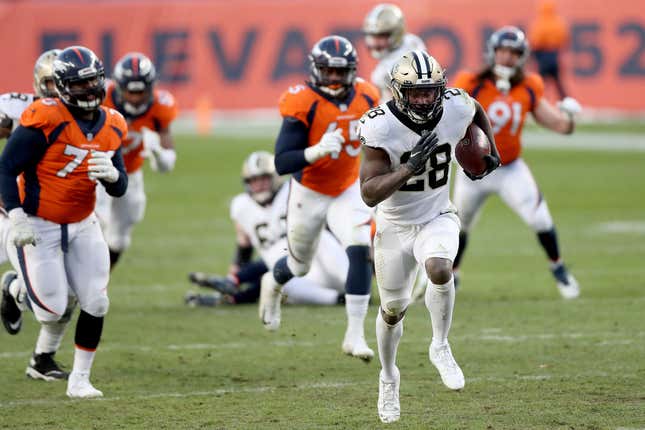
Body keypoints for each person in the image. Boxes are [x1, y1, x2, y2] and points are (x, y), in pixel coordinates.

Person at [359, 50, 499, 423]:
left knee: (440, 268)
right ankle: (389, 377)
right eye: (415, 92)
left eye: (429, 91)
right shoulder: (380, 126)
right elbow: (369, 192)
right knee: (392, 310)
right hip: (393, 226)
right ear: (398, 91)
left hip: (437, 214)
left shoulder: (454, 104)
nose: (424, 98)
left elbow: (475, 110)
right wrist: (407, 168)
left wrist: (490, 148)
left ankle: (440, 344)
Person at [0, 46, 128, 398]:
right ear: (60, 87)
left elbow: (121, 188)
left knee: (96, 301)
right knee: (52, 311)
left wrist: (113, 176)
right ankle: (14, 286)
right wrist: (16, 215)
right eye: (79, 85)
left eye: (92, 83)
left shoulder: (113, 122)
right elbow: (6, 167)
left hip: (83, 223)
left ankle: (80, 380)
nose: (88, 92)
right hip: (38, 224)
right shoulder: (44, 116)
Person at [259, 35, 379, 361]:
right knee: (299, 265)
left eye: (342, 72)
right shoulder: (303, 101)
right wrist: (315, 151)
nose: (336, 79)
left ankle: (355, 336)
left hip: (347, 187)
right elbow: (282, 161)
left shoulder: (368, 95)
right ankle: (272, 281)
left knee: (360, 248)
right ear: (316, 70)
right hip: (309, 191)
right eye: (329, 72)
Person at [451, 26, 582, 299]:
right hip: (474, 171)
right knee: (459, 224)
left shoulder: (529, 85)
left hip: (509, 167)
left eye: (514, 53)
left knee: (540, 218)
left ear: (521, 57)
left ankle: (558, 268)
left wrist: (569, 121)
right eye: (503, 51)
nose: (508, 58)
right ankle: (453, 273)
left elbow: (554, 121)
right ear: (492, 52)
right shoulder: (471, 81)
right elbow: (445, 115)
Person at [0, 49, 80, 382]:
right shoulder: (19, 108)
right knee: (51, 299)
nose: (55, 89)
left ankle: (42, 359)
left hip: (58, 217)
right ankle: (15, 289)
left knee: (73, 293)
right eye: (49, 82)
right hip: (13, 214)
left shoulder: (86, 114)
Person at [186, 151, 347, 307]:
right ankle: (340, 299)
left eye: (263, 178)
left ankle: (353, 284)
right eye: (253, 180)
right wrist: (232, 278)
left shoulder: (294, 191)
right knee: (274, 279)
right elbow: (243, 251)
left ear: (275, 177)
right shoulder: (242, 206)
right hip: (304, 278)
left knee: (308, 239)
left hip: (328, 263)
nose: (259, 184)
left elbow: (331, 227)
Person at [96, 52, 178, 269]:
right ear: (119, 87)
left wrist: (159, 153)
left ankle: (101, 278)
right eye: (130, 92)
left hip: (130, 173)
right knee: (95, 224)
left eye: (141, 92)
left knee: (120, 235)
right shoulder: (100, 97)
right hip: (97, 169)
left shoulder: (161, 106)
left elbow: (168, 163)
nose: (135, 98)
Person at [362, 3, 426, 100]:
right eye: (372, 36)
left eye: (381, 36)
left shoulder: (388, 70)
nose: (375, 42)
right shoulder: (413, 42)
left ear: (396, 33)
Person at [529, 0, 570, 99]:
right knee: (558, 84)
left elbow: (535, 41)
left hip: (543, 56)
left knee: (539, 83)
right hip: (554, 56)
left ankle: (533, 99)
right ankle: (566, 102)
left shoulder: (540, 23)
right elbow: (565, 39)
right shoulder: (558, 22)